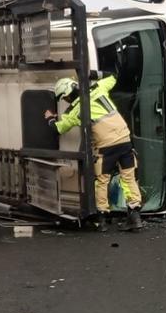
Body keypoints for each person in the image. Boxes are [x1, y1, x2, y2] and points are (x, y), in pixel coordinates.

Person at [44, 71, 145, 231]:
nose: (65, 100)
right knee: (128, 178)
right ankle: (134, 216)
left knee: (102, 181)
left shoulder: (75, 111)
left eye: (64, 97)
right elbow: (113, 76)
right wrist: (92, 74)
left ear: (68, 94)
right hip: (125, 140)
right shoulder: (98, 88)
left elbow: (58, 128)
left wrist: (49, 118)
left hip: (106, 147)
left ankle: (102, 219)